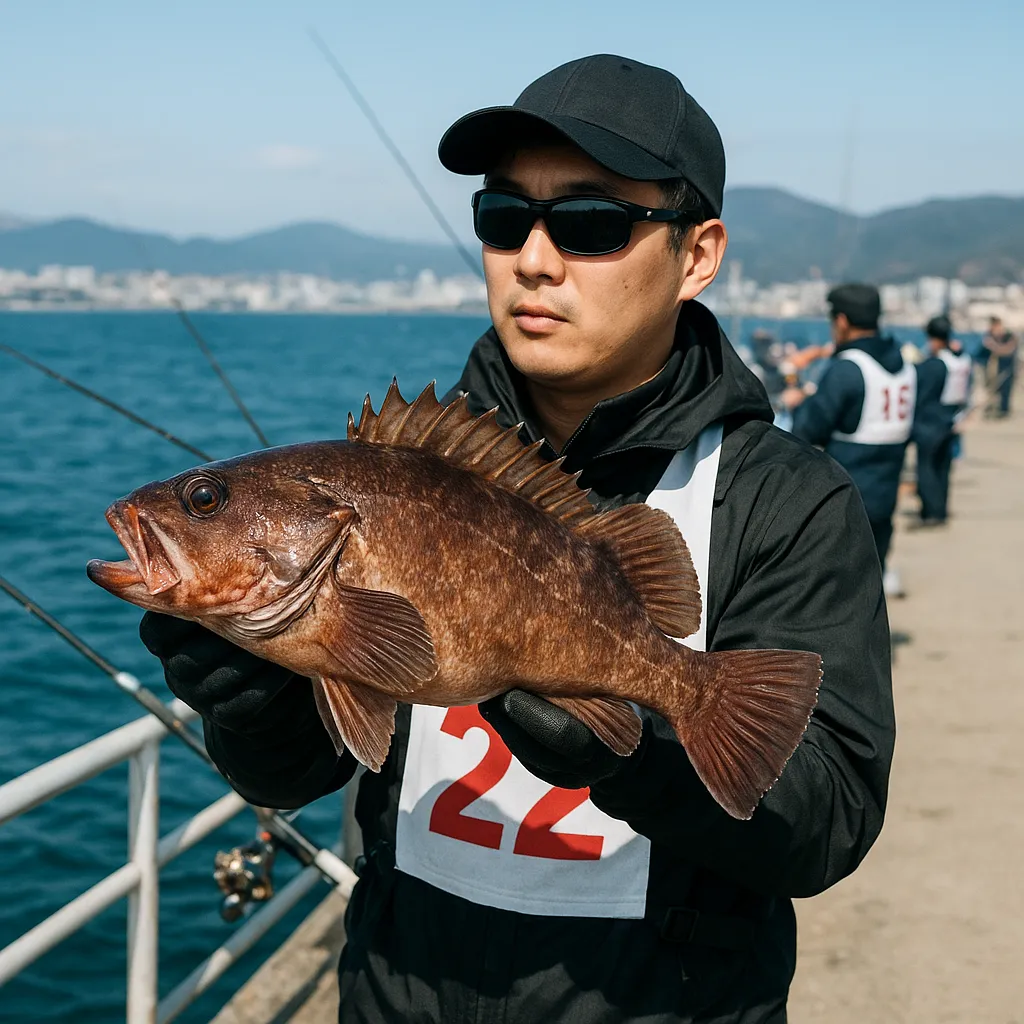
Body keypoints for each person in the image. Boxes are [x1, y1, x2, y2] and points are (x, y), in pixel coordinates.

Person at [140, 55, 894, 1024]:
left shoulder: (787, 499)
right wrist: (253, 711)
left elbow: (823, 827)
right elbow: (304, 771)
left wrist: (630, 753)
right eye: (505, 217)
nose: (533, 257)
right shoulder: (402, 474)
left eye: (590, 224)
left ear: (698, 252)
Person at [784, 284, 915, 587]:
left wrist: (800, 396)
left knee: (840, 586)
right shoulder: (905, 367)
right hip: (886, 492)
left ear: (841, 321)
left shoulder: (847, 369)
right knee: (872, 578)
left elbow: (807, 430)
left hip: (847, 499)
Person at [911, 315, 972, 525]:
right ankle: (942, 510)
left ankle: (931, 513)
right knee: (943, 468)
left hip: (930, 422)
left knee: (926, 468)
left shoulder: (935, 364)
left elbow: (920, 392)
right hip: (951, 418)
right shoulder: (961, 360)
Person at [980, 316, 1018, 418]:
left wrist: (995, 347)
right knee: (991, 389)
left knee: (1006, 389)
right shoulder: (989, 335)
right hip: (992, 368)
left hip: (1007, 367)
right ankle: (992, 408)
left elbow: (1009, 349)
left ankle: (1003, 410)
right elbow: (985, 347)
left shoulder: (1009, 335)